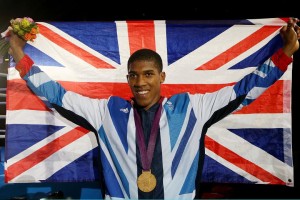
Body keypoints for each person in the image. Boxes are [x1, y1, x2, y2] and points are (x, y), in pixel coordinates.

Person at [7, 18, 300, 199]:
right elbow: (56, 95)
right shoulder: (106, 112)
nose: (140, 82)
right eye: (134, 75)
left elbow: (243, 91)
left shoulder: (192, 107)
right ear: (127, 79)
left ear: (162, 77)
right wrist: (19, 54)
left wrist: (285, 53)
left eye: (148, 74)